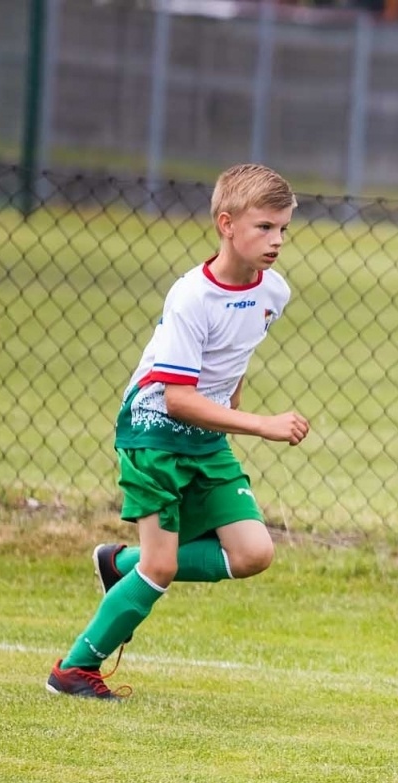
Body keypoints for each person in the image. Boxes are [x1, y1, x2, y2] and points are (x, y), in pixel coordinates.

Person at [46, 163, 310, 699]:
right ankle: (73, 671)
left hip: (204, 437)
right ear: (226, 223)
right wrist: (259, 423)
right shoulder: (191, 296)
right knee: (161, 567)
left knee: (253, 554)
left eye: (284, 228)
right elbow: (179, 398)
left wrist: (233, 398)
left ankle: (120, 564)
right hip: (155, 433)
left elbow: (232, 355)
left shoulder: (273, 292)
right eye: (265, 227)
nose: (277, 240)